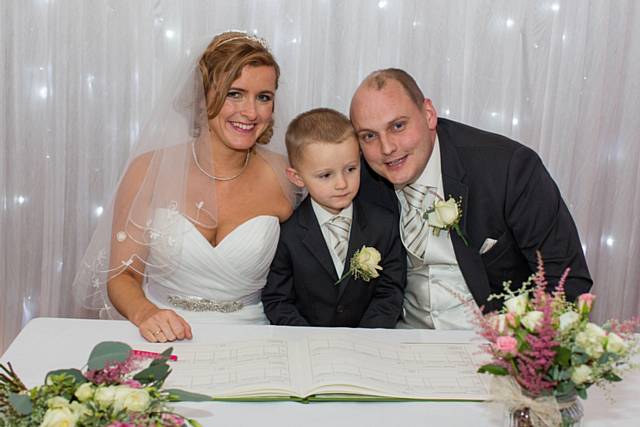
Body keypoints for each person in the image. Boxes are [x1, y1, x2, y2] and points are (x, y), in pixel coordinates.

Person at [73, 32, 299, 342]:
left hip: (255, 338)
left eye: (264, 96)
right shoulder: (148, 170)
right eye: (235, 93)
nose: (251, 112)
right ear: (202, 96)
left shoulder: (286, 176)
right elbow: (122, 275)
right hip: (162, 331)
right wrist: (146, 313)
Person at [349, 68, 592, 329]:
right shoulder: (358, 180)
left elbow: (567, 283)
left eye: (398, 126)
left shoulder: (508, 168)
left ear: (429, 115)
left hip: (494, 346)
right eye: (369, 136)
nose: (387, 148)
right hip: (402, 341)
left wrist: (520, 350)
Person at [262, 108, 406, 327]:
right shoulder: (287, 232)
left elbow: (390, 292)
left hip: (369, 345)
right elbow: (278, 300)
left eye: (350, 169)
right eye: (326, 175)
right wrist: (308, 340)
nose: (342, 184)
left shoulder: (384, 225)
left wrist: (366, 337)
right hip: (308, 347)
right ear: (297, 177)